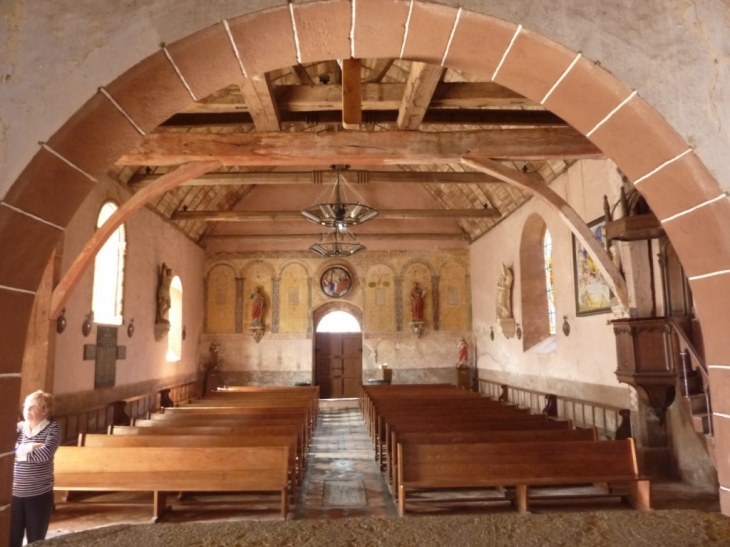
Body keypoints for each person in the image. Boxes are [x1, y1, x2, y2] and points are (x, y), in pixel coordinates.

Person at [10, 390, 61, 547]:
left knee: (36, 540)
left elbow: (44, 454)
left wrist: (17, 451)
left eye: (32, 406)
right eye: (26, 405)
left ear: (45, 410)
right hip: (14, 493)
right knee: (11, 538)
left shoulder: (53, 428)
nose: (27, 409)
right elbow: (5, 451)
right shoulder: (18, 427)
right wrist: (30, 447)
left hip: (39, 494)